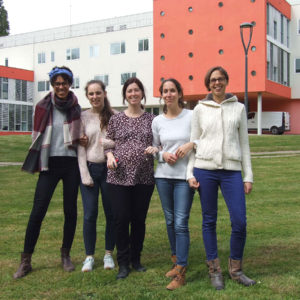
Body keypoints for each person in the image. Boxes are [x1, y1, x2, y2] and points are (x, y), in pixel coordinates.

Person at [187, 66, 256, 290]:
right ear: (208, 84)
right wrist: (190, 172)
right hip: (204, 169)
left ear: (226, 81)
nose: (217, 83)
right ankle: (214, 270)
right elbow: (193, 142)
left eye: (221, 79)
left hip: (232, 171)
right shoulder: (199, 109)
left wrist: (249, 176)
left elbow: (244, 144)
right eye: (213, 80)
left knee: (240, 221)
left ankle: (236, 270)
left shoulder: (238, 108)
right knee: (209, 220)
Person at [14, 66, 81, 279]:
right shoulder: (42, 106)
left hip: (71, 164)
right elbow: (36, 135)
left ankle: (65, 255)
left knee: (70, 211)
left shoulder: (77, 107)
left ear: (70, 84)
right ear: (52, 85)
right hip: (48, 164)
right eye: (57, 83)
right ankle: (26, 260)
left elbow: (81, 135)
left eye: (64, 83)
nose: (61, 87)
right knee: (38, 211)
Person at [145, 78, 194, 290]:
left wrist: (191, 145)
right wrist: (164, 155)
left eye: (172, 90)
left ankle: (181, 271)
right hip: (163, 176)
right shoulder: (157, 121)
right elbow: (154, 149)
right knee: (170, 220)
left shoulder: (191, 116)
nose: (168, 94)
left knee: (181, 222)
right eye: (165, 91)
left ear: (179, 93)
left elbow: (201, 140)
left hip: (184, 177)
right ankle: (175, 261)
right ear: (161, 95)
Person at [105, 77, 155, 280]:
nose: (133, 94)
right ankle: (123, 263)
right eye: (129, 91)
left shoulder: (152, 120)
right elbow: (108, 143)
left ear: (142, 93)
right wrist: (109, 156)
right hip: (118, 176)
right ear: (125, 95)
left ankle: (136, 259)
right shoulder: (116, 119)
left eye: (137, 90)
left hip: (143, 177)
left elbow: (158, 144)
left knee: (139, 220)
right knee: (121, 219)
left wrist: (156, 149)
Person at [78, 80, 116, 272]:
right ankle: (89, 256)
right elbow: (80, 148)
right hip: (90, 170)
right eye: (91, 94)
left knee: (111, 214)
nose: (95, 97)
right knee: (90, 214)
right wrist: (85, 174)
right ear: (87, 96)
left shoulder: (115, 116)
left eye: (98, 93)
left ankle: (109, 254)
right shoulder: (83, 117)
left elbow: (120, 143)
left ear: (104, 94)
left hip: (110, 171)